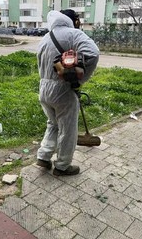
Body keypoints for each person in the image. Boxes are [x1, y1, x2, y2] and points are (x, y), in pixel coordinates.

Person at [36, 10, 100, 176]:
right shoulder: (74, 34)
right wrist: (78, 79)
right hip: (62, 90)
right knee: (68, 129)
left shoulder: (45, 38)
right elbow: (93, 53)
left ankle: (43, 156)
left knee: (53, 123)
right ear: (72, 21)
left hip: (43, 88)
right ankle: (62, 166)